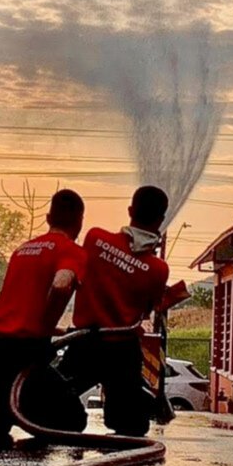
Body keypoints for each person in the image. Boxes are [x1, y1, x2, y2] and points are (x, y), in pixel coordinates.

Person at [0, 189, 88, 446]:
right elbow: (61, 284)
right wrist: (45, 329)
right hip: (20, 351)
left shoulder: (23, 249)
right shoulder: (72, 251)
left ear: (48, 217)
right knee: (73, 421)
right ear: (80, 221)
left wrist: (49, 328)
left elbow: (19, 304)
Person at [60, 185, 171, 436]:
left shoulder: (95, 238)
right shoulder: (158, 269)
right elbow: (146, 311)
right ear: (161, 220)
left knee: (52, 392)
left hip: (84, 342)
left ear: (130, 210)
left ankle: (67, 412)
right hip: (122, 350)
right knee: (131, 425)